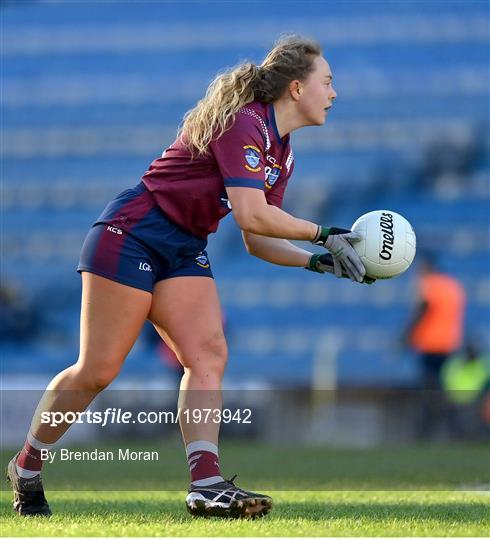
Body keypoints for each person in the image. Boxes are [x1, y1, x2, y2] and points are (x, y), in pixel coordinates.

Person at [7, 35, 372, 519]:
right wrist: (325, 234)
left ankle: (206, 484)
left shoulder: (282, 154)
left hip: (182, 246)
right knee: (97, 370)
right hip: (133, 232)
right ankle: (27, 465)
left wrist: (315, 261)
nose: (334, 93)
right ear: (296, 89)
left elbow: (258, 239)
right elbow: (250, 215)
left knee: (209, 353)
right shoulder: (245, 121)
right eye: (327, 81)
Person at [404, 254, 466, 438]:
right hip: (449, 345)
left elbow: (422, 310)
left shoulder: (428, 284)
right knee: (444, 389)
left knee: (430, 390)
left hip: (430, 345)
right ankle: (454, 430)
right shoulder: (453, 286)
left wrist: (406, 336)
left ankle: (426, 432)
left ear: (427, 267)